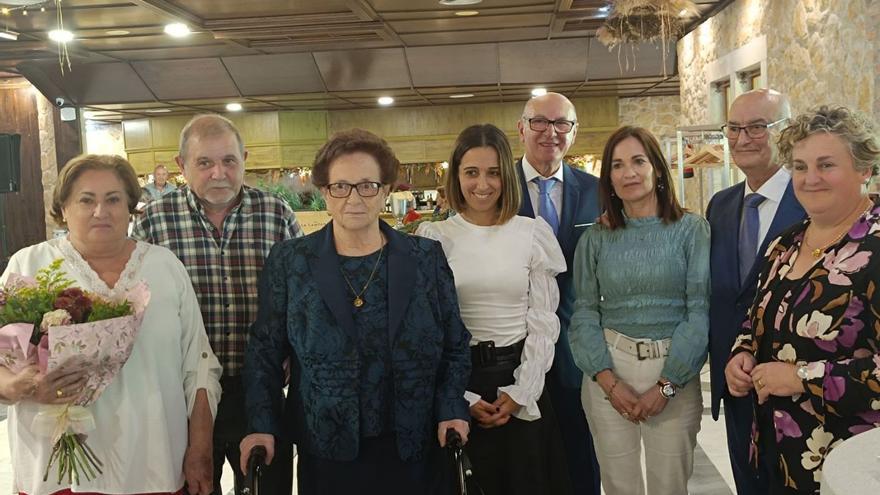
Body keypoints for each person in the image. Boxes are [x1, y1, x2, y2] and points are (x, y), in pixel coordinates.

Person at [239, 129, 471, 495]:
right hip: (327, 449)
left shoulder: (424, 258)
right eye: (340, 187)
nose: (354, 198)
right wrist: (261, 422)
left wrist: (451, 407)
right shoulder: (291, 261)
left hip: (416, 442)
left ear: (385, 190)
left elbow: (455, 343)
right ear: (324, 192)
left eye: (367, 185)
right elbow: (265, 351)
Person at [0, 154, 222, 495]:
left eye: (113, 199)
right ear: (62, 207)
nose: (101, 211)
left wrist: (200, 449)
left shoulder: (164, 267)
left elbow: (199, 365)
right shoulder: (29, 264)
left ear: (131, 207)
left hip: (155, 464)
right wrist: (20, 386)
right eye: (86, 200)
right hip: (56, 473)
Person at [132, 114, 300, 494]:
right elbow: (136, 309)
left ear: (245, 158)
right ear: (181, 166)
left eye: (229, 161)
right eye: (204, 163)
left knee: (265, 486)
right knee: (194, 485)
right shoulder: (154, 223)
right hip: (183, 394)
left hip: (261, 388)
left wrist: (294, 350)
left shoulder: (276, 215)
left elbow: (302, 298)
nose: (219, 173)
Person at [725, 106, 880, 494]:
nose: (810, 179)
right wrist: (742, 352)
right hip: (778, 454)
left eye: (826, 165)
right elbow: (757, 316)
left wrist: (800, 378)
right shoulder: (785, 243)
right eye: (799, 166)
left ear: (864, 169)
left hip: (852, 465)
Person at [417, 124, 570, 494]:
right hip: (459, 384)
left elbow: (544, 322)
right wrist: (460, 398)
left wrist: (521, 392)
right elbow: (427, 330)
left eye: (493, 172)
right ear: (456, 176)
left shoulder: (532, 233)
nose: (482, 184)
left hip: (520, 380)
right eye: (471, 172)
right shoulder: (434, 238)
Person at [569, 126, 709, 495]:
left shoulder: (692, 230)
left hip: (673, 369)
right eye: (617, 165)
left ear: (657, 169)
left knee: (669, 486)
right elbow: (583, 313)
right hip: (609, 368)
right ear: (609, 178)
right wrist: (608, 382)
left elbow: (699, 311)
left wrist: (668, 384)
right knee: (619, 486)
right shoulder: (595, 238)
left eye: (638, 161)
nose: (628, 173)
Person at [707, 88, 806, 494]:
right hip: (737, 385)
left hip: (797, 389)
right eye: (733, 128)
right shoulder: (721, 205)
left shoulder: (810, 200)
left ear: (785, 132)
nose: (742, 138)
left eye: (757, 127)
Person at [515, 91, 601, 494]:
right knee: (526, 460)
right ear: (521, 129)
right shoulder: (495, 190)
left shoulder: (600, 192)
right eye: (540, 122)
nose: (550, 132)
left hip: (577, 349)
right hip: (514, 347)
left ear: (573, 132)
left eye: (561, 123)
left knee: (580, 454)